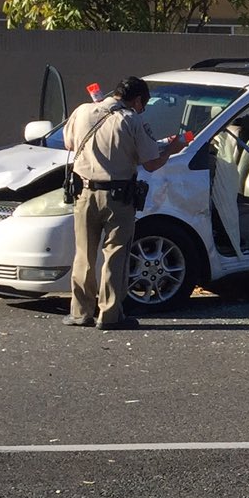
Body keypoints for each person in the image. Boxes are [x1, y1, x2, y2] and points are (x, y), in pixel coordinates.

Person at [61, 77, 184, 330]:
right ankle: (110, 315)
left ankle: (80, 312)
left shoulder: (82, 111)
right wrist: (172, 149)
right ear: (137, 101)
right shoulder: (131, 120)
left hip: (84, 193)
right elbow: (151, 163)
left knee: (84, 255)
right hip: (118, 196)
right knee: (116, 255)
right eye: (143, 105)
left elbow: (69, 144)